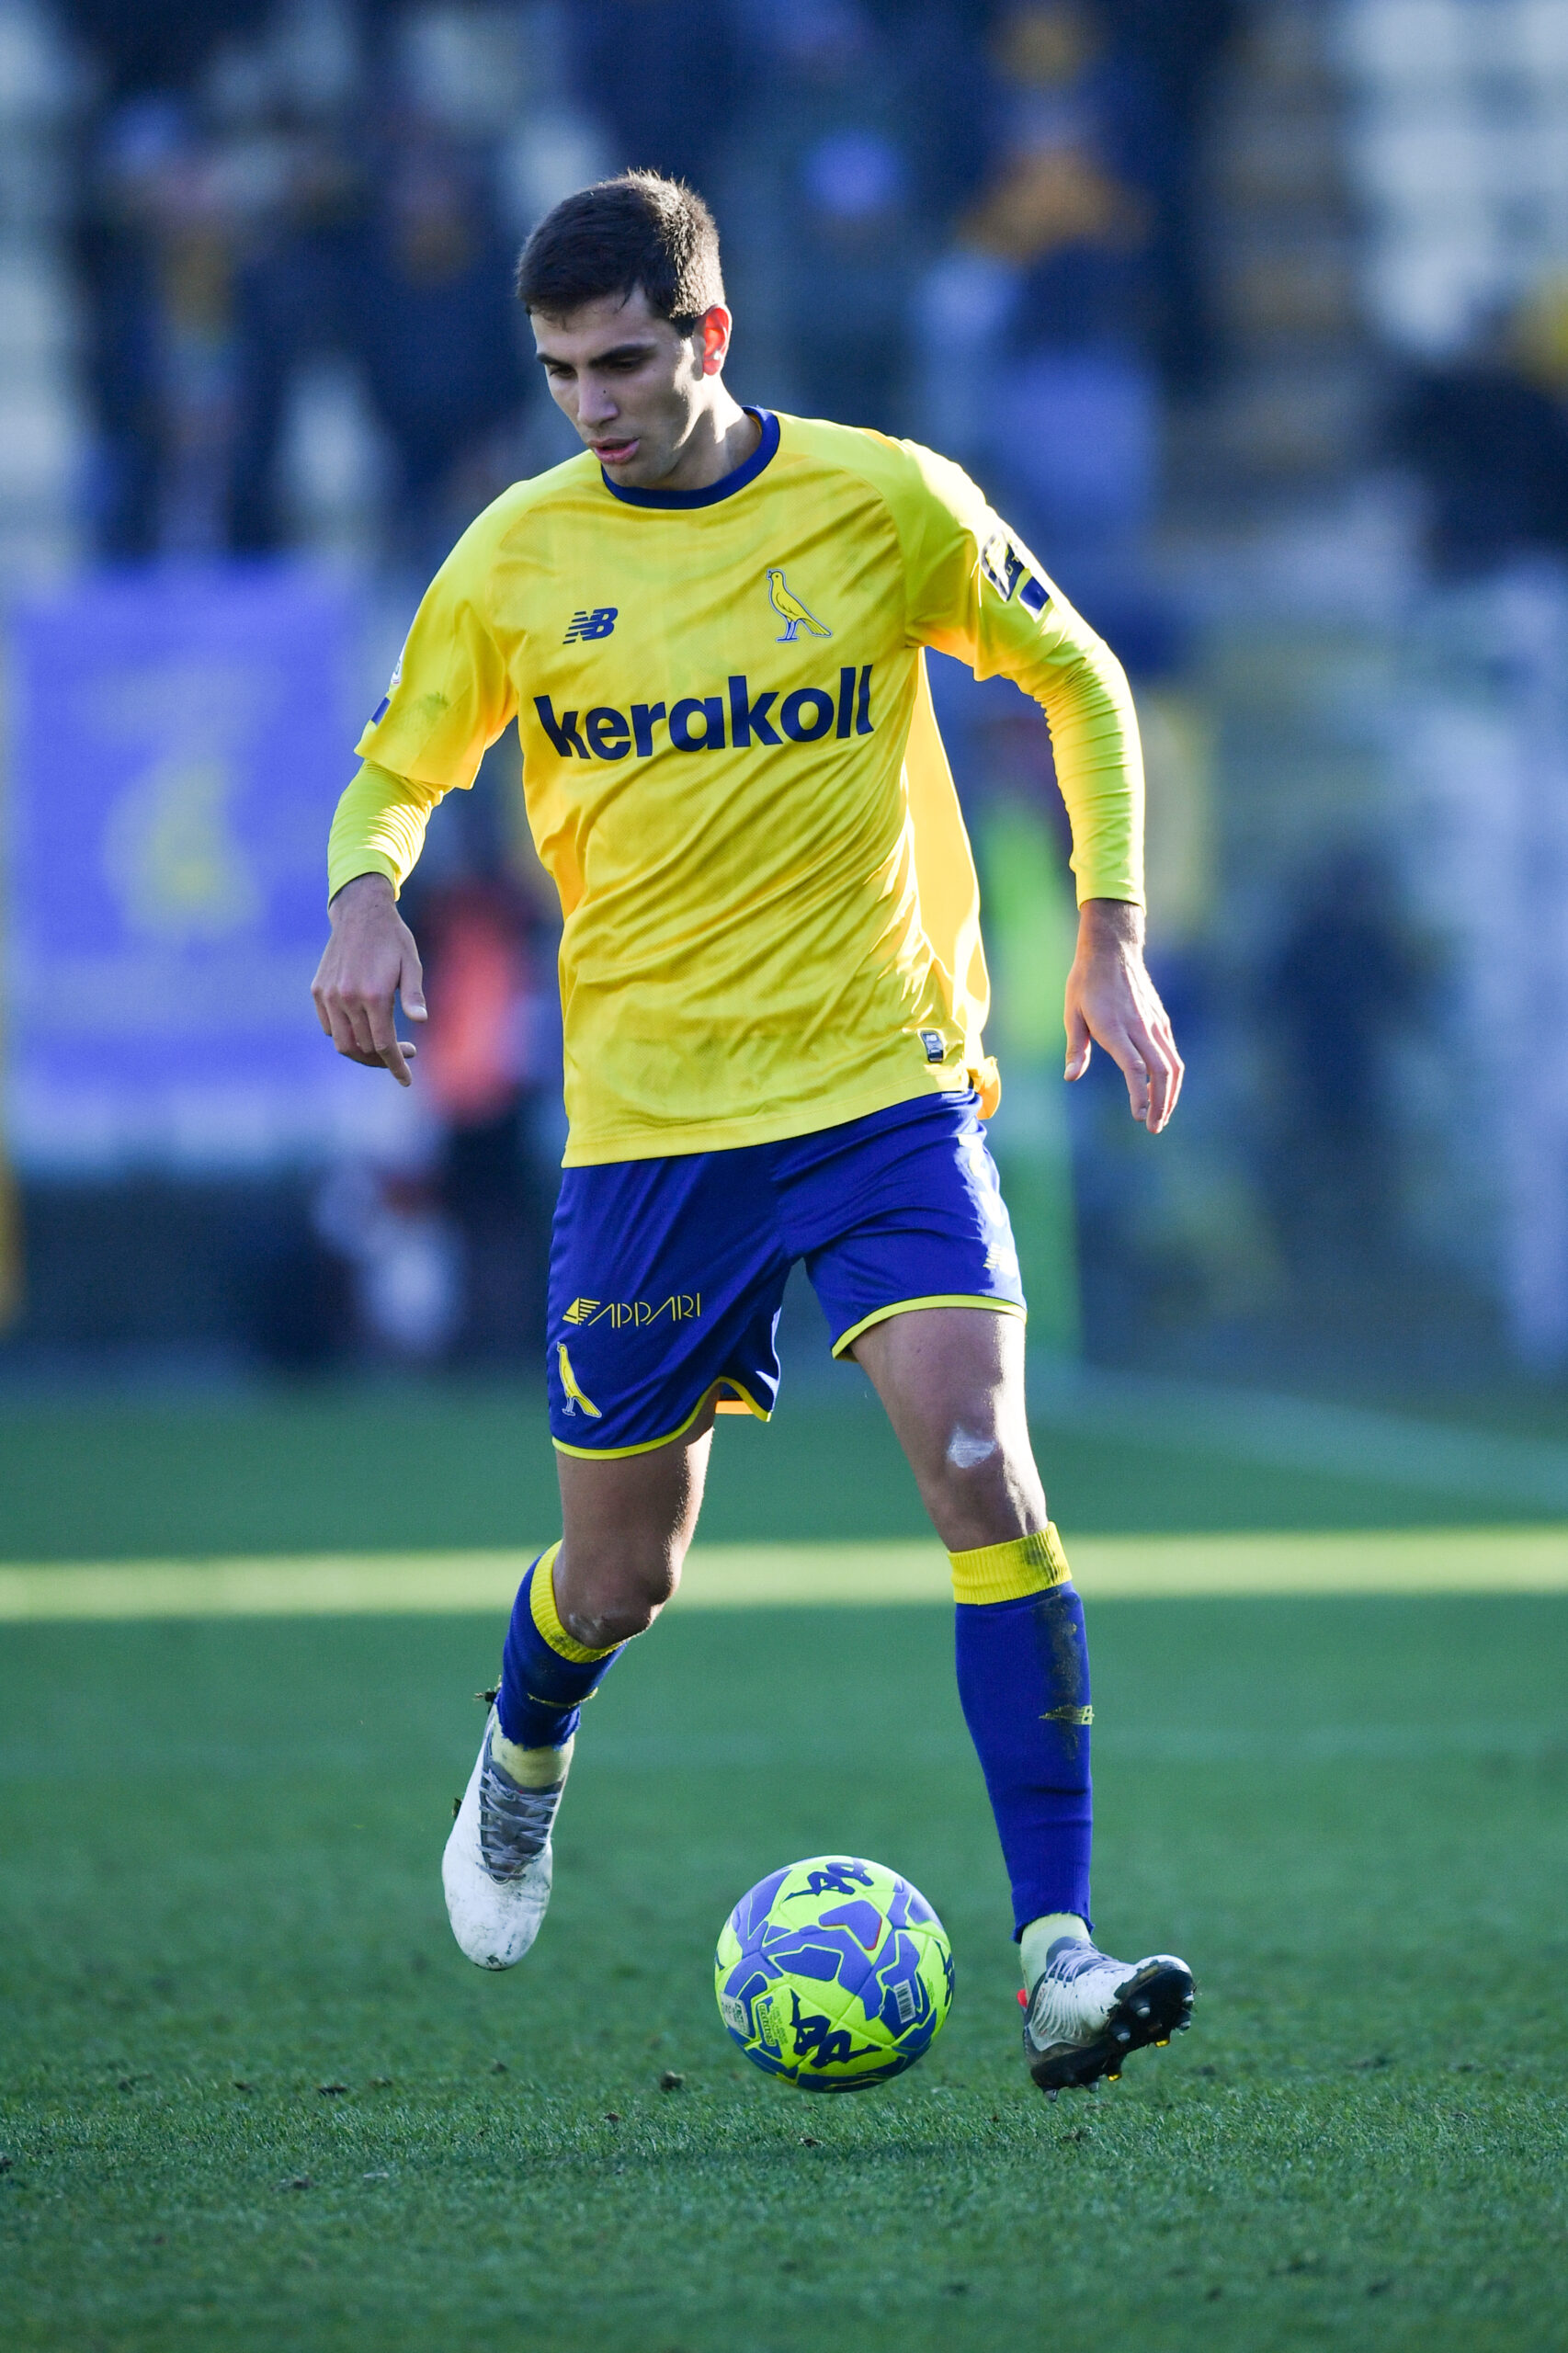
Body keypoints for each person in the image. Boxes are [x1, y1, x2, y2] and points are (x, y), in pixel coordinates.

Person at [311, 172, 1192, 2097]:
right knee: (619, 1576)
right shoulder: (516, 555)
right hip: (651, 1131)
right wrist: (366, 894)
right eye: (561, 371)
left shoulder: (884, 501)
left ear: (709, 335)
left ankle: (1057, 1951)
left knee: (984, 1468)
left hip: (881, 1089)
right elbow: (397, 764)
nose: (592, 405)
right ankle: (523, 1749)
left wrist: (1109, 934)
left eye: (624, 363)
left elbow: (1078, 675)